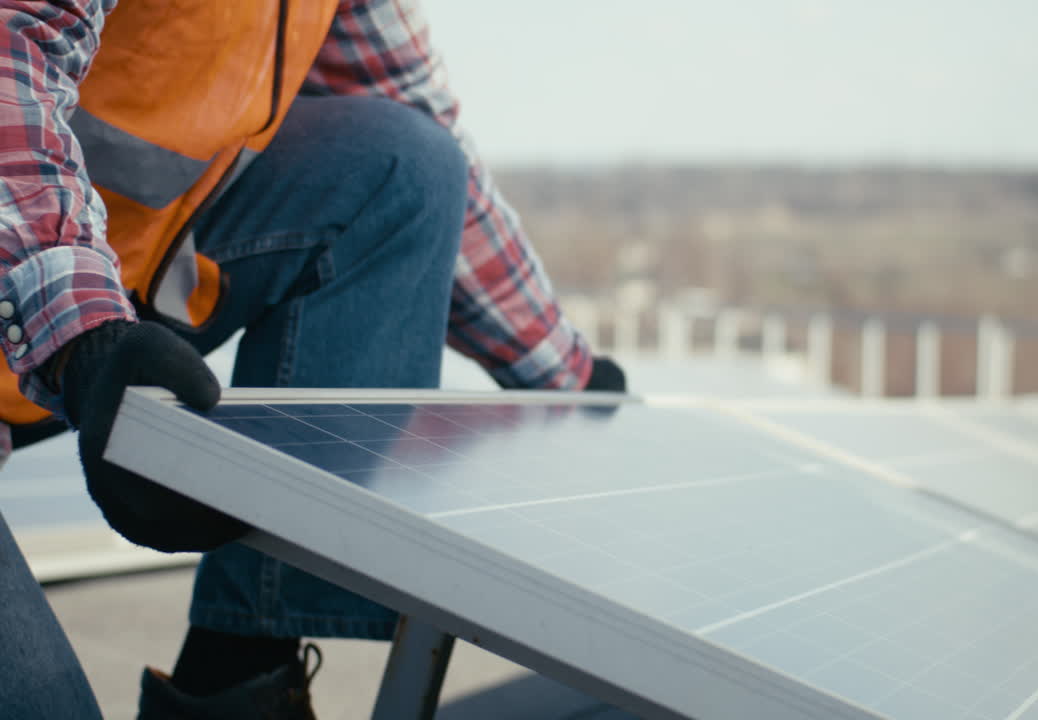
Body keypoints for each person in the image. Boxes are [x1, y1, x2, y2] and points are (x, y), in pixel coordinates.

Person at [0, 1, 627, 717]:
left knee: (403, 162)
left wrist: (568, 375)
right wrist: (84, 341)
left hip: (89, 325)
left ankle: (236, 673)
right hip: (65, 329)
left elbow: (414, 116)